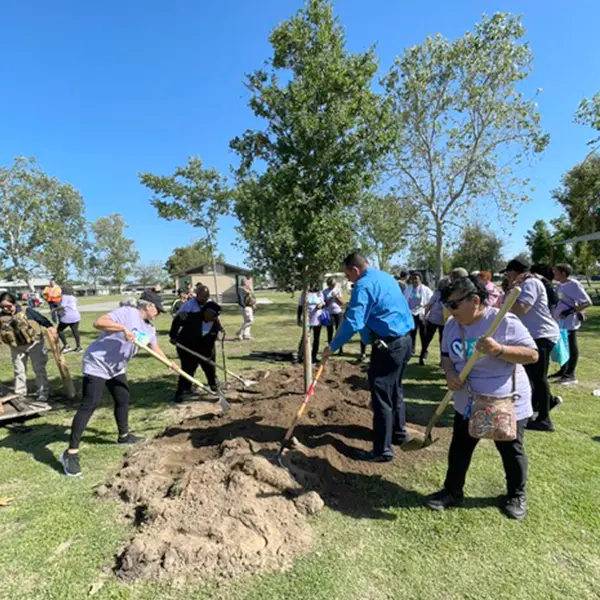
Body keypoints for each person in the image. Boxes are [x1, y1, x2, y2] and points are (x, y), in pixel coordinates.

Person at [424, 276, 538, 520]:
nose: (449, 311)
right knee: (460, 448)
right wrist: (450, 373)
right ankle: (452, 491)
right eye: (446, 305)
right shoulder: (453, 325)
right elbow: (446, 356)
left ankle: (517, 495)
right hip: (468, 402)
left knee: (510, 449)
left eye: (453, 305)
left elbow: (532, 355)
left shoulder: (504, 321)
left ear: (475, 300)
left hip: (504, 401)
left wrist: (500, 350)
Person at [60, 291, 175, 477]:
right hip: (97, 363)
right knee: (90, 404)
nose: (159, 313)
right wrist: (122, 329)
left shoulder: (150, 329)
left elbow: (154, 347)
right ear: (148, 306)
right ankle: (70, 453)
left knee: (123, 397)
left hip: (116, 367)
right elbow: (98, 323)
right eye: (158, 309)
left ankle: (124, 436)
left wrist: (169, 363)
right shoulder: (127, 313)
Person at [322, 253, 414, 462]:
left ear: (355, 270)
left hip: (389, 346)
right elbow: (368, 319)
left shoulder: (363, 285)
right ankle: (399, 434)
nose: (349, 279)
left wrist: (332, 346)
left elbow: (352, 321)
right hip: (405, 341)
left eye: (348, 275)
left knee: (381, 396)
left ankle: (382, 451)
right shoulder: (385, 277)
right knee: (395, 390)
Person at [503, 258, 561, 432]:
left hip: (542, 334)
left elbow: (521, 309)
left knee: (538, 377)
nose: (506, 276)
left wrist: (510, 296)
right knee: (531, 376)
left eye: (508, 272)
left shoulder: (531, 283)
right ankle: (546, 403)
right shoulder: (523, 284)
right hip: (532, 335)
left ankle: (544, 419)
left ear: (514, 271)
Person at [0, 292, 55, 407]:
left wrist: (50, 328)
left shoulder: (27, 311)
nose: (6, 309)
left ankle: (43, 392)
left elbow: (42, 320)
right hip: (16, 346)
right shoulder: (2, 317)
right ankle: (20, 392)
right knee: (18, 370)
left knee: (39, 369)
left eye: (8, 306)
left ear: (14, 303)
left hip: (34, 343)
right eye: (2, 307)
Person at [171, 300, 223, 399]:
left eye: (216, 316)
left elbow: (211, 341)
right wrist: (173, 336)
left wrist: (208, 356)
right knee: (188, 369)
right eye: (213, 315)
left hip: (205, 348)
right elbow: (177, 321)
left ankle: (213, 386)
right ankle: (182, 392)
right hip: (187, 347)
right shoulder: (191, 317)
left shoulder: (215, 324)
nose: (215, 318)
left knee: (209, 367)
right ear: (207, 312)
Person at [551, 263, 592, 385]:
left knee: (571, 346)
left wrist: (570, 311)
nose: (554, 274)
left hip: (569, 322)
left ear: (563, 273)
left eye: (556, 272)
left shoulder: (574, 284)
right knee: (563, 346)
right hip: (560, 322)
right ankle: (563, 370)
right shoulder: (560, 286)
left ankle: (570, 374)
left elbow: (587, 302)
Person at [420, 277, 450, 365]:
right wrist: (425, 317)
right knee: (427, 339)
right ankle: (422, 357)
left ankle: (442, 360)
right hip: (433, 320)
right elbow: (429, 305)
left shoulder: (450, 294)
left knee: (443, 341)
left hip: (444, 321)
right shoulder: (437, 293)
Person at [404, 273, 433, 358]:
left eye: (416, 279)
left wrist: (425, 307)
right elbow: (404, 300)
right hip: (411, 314)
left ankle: (424, 351)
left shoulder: (426, 290)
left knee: (423, 334)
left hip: (421, 313)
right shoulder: (408, 289)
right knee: (411, 334)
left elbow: (431, 300)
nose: (414, 281)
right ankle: (411, 350)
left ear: (420, 280)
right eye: (413, 279)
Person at [297, 286, 325, 364]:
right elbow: (300, 306)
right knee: (305, 337)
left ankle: (314, 356)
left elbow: (323, 303)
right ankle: (300, 356)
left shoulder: (319, 293)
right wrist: (299, 318)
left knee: (316, 338)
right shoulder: (305, 293)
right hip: (307, 319)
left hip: (317, 319)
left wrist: (321, 305)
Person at [56, 283, 82, 353]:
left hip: (68, 316)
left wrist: (55, 309)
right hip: (76, 316)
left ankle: (66, 346)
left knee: (59, 330)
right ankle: (79, 347)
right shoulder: (73, 297)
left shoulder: (64, 296)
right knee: (75, 331)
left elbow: (63, 306)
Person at [323, 277, 344, 353]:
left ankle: (341, 350)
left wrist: (336, 297)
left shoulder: (338, 290)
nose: (332, 286)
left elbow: (341, 303)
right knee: (330, 332)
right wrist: (330, 299)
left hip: (338, 313)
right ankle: (330, 349)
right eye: (331, 285)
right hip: (329, 313)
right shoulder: (325, 292)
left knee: (339, 331)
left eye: (333, 285)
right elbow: (324, 304)